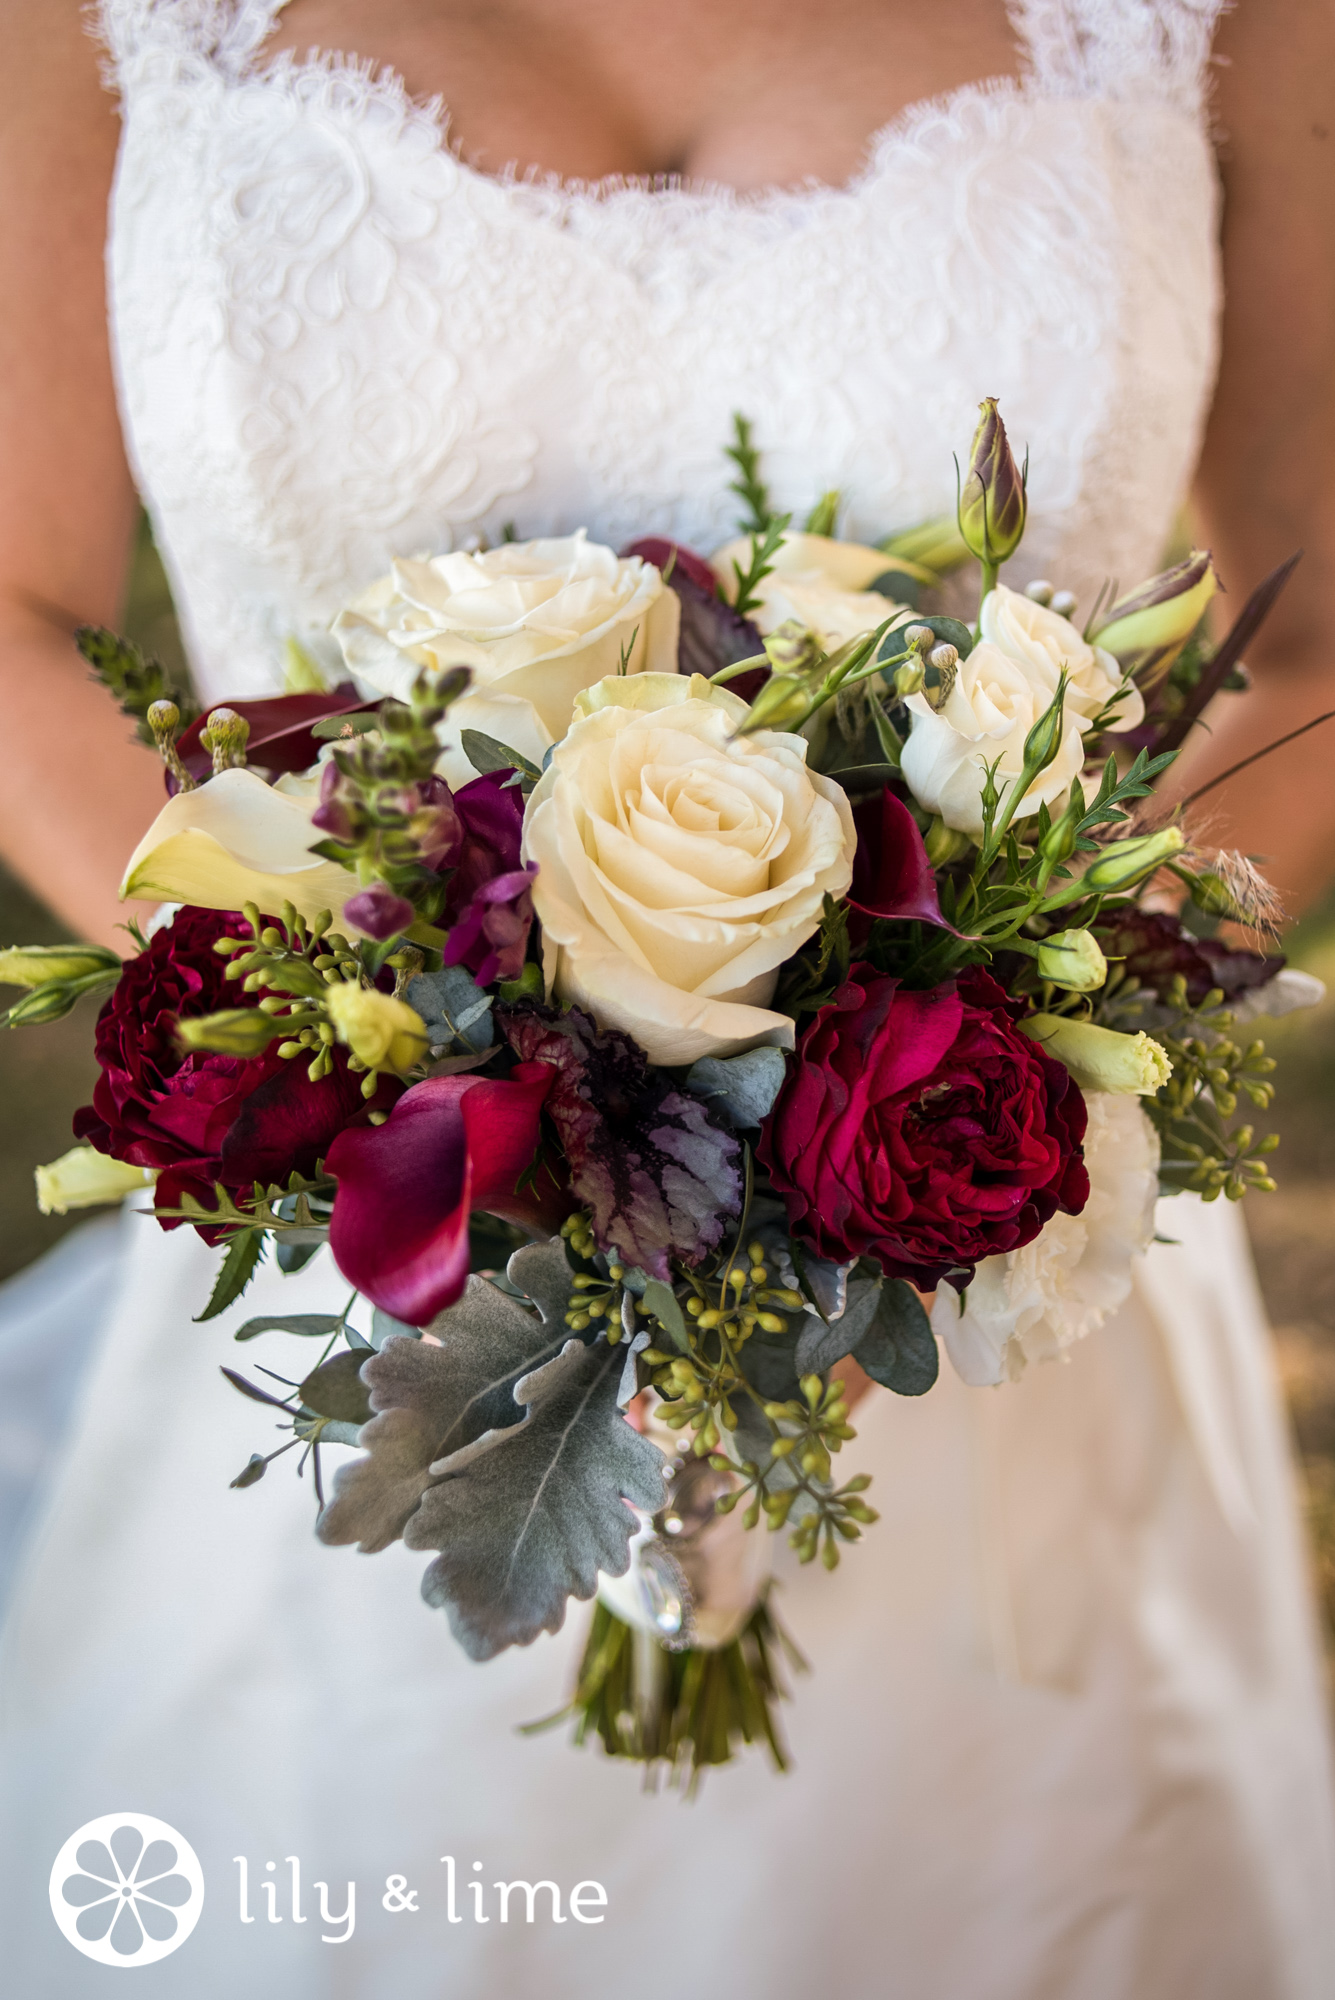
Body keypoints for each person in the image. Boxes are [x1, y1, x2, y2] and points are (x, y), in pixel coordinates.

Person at [0, 2, 1333, 1994]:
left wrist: (980, 1002)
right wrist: (349, 1021)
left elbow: (1310, 637)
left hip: (991, 1292)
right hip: (381, 1244)